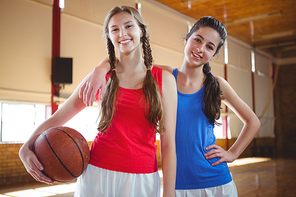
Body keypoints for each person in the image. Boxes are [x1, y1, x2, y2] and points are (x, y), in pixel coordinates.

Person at [79, 16, 261, 196]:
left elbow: (253, 121)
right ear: (186, 40)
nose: (200, 48)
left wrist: (233, 153)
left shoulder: (217, 85)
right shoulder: (164, 75)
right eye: (197, 40)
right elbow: (125, 64)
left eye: (209, 47)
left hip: (217, 180)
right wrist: (101, 67)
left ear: (214, 54)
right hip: (177, 185)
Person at [19, 6, 177, 197]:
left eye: (128, 26)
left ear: (141, 30)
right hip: (96, 172)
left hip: (141, 177)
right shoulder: (100, 78)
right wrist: (25, 147)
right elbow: (57, 118)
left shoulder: (164, 80)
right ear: (109, 36)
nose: (122, 33)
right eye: (115, 29)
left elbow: (168, 145)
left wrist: (169, 194)